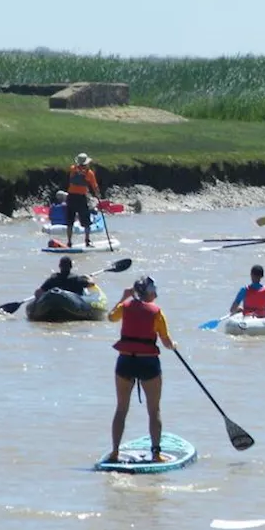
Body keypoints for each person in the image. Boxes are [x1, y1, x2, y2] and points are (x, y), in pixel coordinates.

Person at [107, 276, 175, 463]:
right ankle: (156, 454)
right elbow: (166, 341)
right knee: (154, 411)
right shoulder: (157, 312)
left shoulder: (125, 306)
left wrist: (123, 297)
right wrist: (173, 345)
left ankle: (114, 452)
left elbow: (111, 317)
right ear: (149, 292)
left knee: (121, 409)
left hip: (125, 361)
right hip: (148, 363)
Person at [66, 153, 100, 248]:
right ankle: (87, 241)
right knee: (86, 221)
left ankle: (69, 242)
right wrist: (98, 195)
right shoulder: (89, 173)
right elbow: (95, 187)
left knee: (70, 221)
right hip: (81, 198)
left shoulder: (72, 169)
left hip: (71, 197)